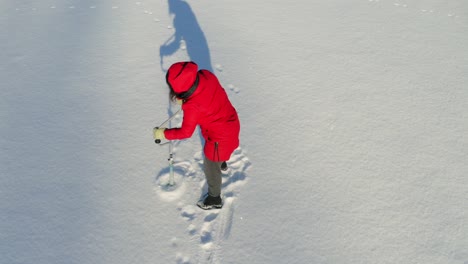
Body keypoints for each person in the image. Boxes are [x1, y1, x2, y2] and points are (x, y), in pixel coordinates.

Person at [154, 61, 240, 210]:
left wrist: (164, 133)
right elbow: (208, 95)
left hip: (219, 138)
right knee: (224, 150)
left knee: (210, 166)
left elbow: (185, 132)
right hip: (231, 121)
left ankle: (214, 198)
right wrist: (187, 97)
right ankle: (222, 162)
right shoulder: (207, 75)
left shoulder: (192, 106)